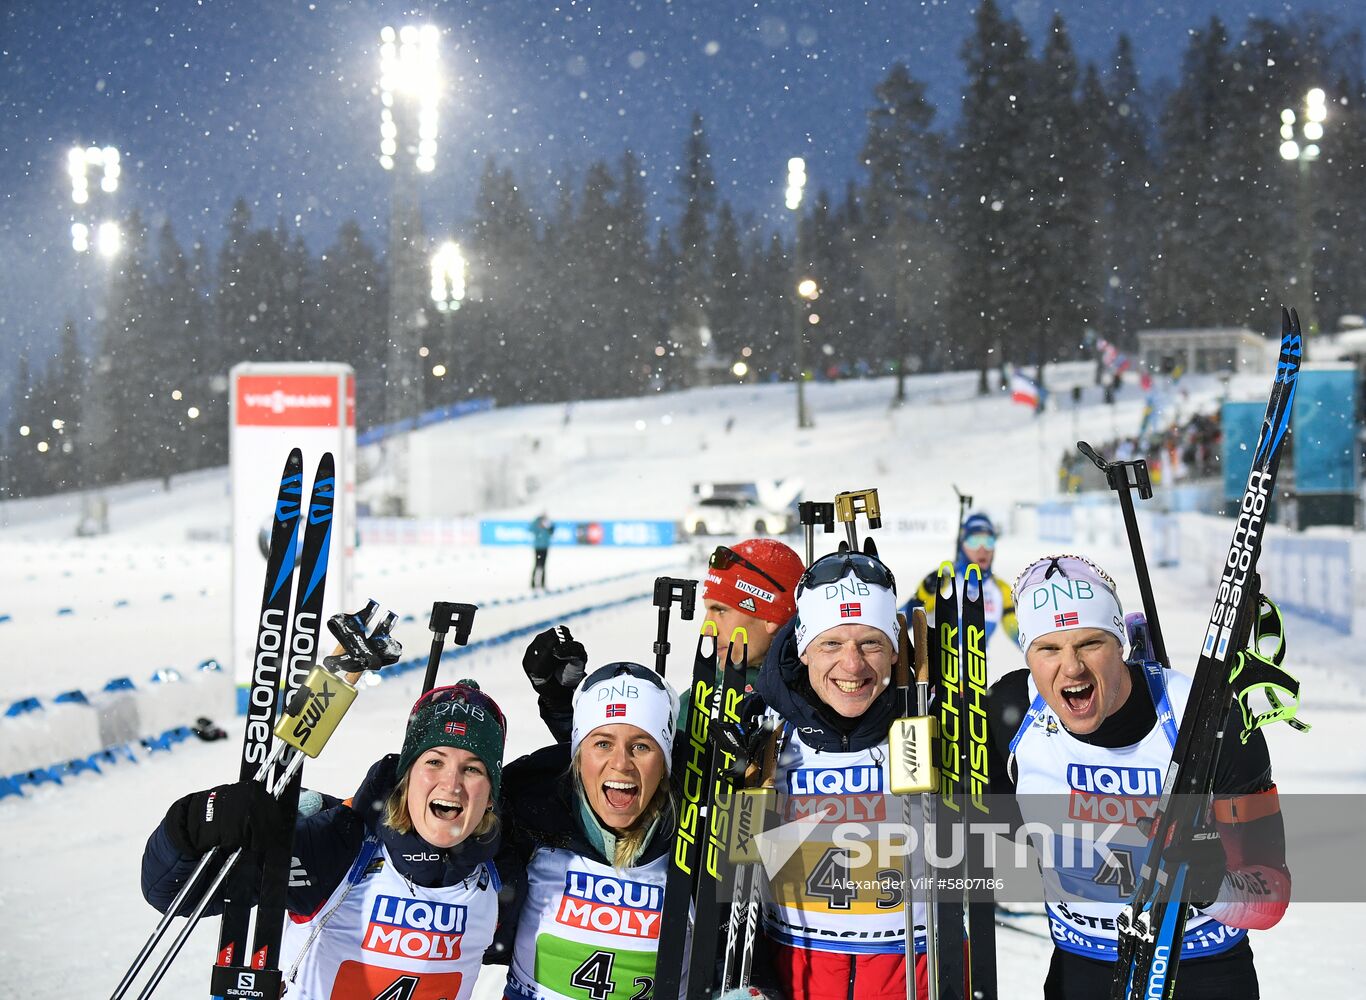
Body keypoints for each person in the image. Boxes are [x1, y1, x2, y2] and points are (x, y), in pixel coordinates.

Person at [988, 554, 1290, 999]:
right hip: (1081, 970)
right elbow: (989, 816)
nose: (1071, 668)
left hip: (1202, 969)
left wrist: (1213, 887)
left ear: (1121, 644)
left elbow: (1273, 895)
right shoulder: (1010, 713)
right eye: (1048, 649)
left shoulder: (1207, 718)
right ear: (1029, 656)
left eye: (1091, 643)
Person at [141, 681, 508, 1000]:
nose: (452, 784)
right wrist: (192, 825)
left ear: (491, 795)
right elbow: (172, 893)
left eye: (472, 769)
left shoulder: (504, 871)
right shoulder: (337, 847)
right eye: (434, 762)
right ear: (406, 777)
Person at [721, 547, 934, 999]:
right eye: (831, 644)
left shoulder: (939, 721)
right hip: (793, 981)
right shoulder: (763, 730)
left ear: (893, 649)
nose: (852, 665)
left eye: (871, 643)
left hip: (917, 980)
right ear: (804, 649)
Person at [490, 660, 684, 999]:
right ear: (578, 757)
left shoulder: (703, 831)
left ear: (665, 763)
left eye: (641, 746)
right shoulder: (532, 816)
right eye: (603, 744)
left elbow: (752, 931)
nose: (621, 763)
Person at [903, 510, 1018, 648]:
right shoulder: (943, 580)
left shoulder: (1001, 590)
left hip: (979, 662)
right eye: (974, 541)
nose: (982, 549)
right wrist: (921, 597)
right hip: (939, 662)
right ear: (962, 545)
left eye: (989, 541)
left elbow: (1022, 636)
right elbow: (899, 624)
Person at [531, 513, 554, 590]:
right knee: (537, 565)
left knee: (543, 565)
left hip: (545, 547)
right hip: (538, 547)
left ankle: (542, 583)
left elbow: (552, 532)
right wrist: (537, 523)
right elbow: (531, 529)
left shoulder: (548, 523)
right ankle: (533, 583)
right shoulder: (536, 523)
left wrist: (548, 527)